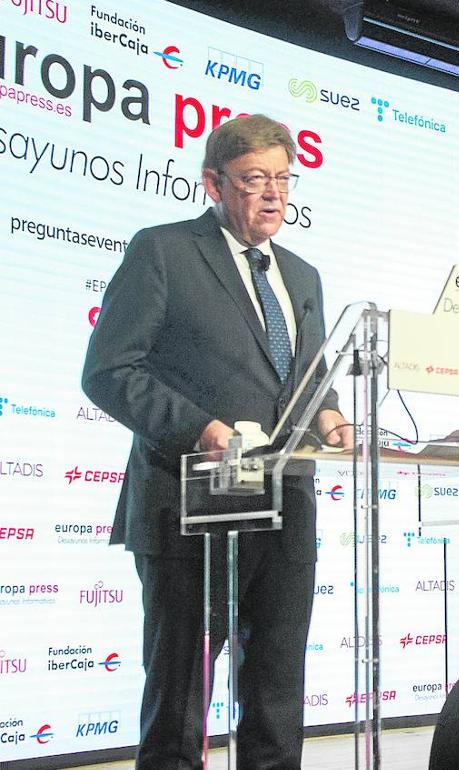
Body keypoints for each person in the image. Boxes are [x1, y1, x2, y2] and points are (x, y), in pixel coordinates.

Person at [82, 114, 350, 770]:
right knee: (181, 706)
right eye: (255, 178)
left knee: (277, 696)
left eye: (284, 179)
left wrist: (333, 418)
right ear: (213, 182)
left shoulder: (303, 275)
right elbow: (109, 370)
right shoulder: (164, 251)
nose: (273, 194)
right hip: (192, 506)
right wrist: (197, 428)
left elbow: (308, 374)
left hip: (285, 501)